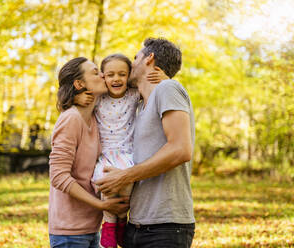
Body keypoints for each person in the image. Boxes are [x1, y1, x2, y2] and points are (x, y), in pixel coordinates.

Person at [95, 38, 196, 248]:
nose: (130, 65)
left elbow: (181, 149)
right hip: (137, 224)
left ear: (149, 58)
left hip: (165, 226)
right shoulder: (140, 105)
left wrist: (124, 176)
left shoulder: (167, 88)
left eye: (135, 58)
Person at [74, 54, 167, 248]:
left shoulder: (134, 95)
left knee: (126, 184)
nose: (116, 79)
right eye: (110, 75)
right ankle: (109, 222)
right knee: (103, 182)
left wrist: (165, 80)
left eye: (122, 74)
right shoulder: (98, 98)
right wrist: (78, 96)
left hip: (127, 153)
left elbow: (158, 93)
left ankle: (122, 220)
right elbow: (73, 100)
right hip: (106, 154)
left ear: (128, 76)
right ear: (103, 77)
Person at [48, 57, 129, 248]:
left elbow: (126, 81)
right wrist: (101, 205)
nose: (103, 75)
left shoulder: (95, 117)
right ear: (79, 84)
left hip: (92, 228)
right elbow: (58, 176)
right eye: (95, 72)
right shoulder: (70, 119)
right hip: (70, 232)